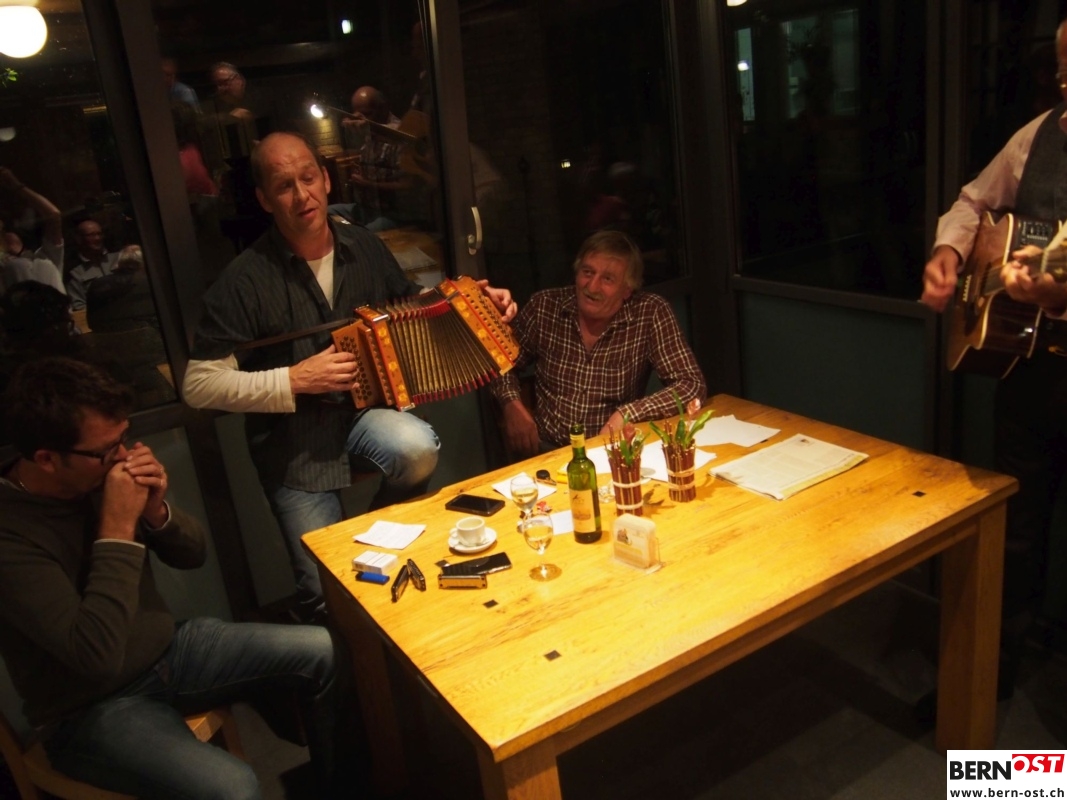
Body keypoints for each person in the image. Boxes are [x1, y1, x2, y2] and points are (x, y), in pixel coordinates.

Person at [182, 131, 516, 623]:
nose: (302, 195)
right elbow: (198, 385)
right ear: (264, 199)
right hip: (294, 444)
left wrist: (476, 302)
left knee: (415, 448)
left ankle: (369, 540)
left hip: (363, 417)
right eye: (284, 186)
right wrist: (294, 379)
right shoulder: (244, 279)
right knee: (323, 593)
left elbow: (410, 305)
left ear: (326, 179)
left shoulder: (364, 245)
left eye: (308, 178)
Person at [0, 357, 345, 798]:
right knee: (233, 788)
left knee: (324, 649)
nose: (122, 457)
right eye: (106, 450)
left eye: (124, 439)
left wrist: (156, 512)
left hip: (171, 652)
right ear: (47, 459)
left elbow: (193, 554)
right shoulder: (11, 535)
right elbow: (94, 654)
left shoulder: (95, 478)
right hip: (88, 706)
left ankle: (339, 787)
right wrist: (117, 526)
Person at [920, 17, 1067, 703]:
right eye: (1064, 71)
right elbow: (973, 200)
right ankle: (987, 680)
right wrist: (950, 251)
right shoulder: (1036, 136)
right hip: (1029, 371)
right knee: (1014, 528)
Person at [491, 229, 706, 457]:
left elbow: (691, 384)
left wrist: (628, 414)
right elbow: (499, 359)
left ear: (627, 290)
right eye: (587, 272)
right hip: (547, 451)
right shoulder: (545, 306)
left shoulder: (650, 312)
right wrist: (510, 403)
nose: (592, 287)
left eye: (607, 279)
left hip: (612, 453)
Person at [0, 167, 65, 295]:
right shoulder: (4, 271)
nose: (7, 237)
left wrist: (16, 185)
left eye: (4, 231)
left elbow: (54, 215)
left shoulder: (45, 260)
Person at [65, 218, 119, 311]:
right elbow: (79, 306)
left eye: (99, 234)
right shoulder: (75, 273)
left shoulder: (118, 257)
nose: (97, 238)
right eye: (91, 235)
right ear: (79, 239)